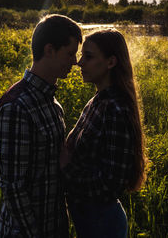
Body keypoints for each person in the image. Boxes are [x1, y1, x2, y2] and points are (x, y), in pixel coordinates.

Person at [0, 14, 82, 238]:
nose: (75, 61)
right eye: (70, 53)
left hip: (55, 226)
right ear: (49, 50)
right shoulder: (17, 107)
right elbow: (13, 186)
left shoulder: (53, 104)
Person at [60, 29, 149, 238]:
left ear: (111, 62)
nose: (80, 63)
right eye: (82, 56)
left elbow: (109, 186)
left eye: (88, 57)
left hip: (103, 224)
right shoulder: (98, 101)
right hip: (91, 220)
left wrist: (66, 168)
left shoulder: (115, 109)